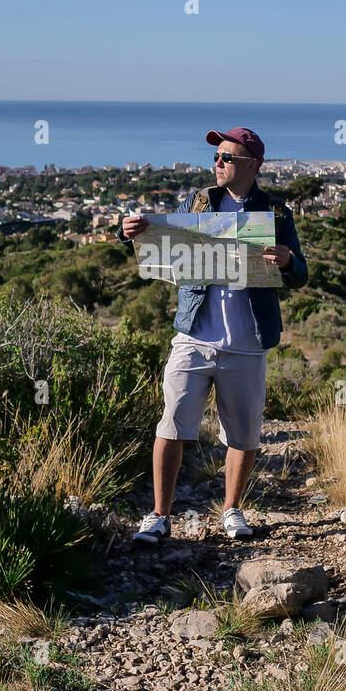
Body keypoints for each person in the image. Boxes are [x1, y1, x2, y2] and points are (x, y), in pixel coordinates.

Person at [115, 128, 308, 543]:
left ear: (252, 165)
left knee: (244, 433)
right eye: (216, 156)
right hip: (194, 335)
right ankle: (158, 515)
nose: (217, 163)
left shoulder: (275, 213)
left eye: (227, 157)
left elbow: (300, 276)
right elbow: (160, 232)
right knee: (170, 425)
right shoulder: (198, 202)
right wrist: (128, 230)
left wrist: (289, 261)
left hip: (247, 342)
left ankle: (232, 510)